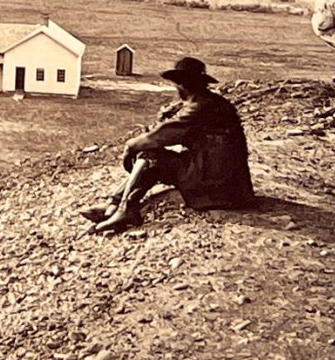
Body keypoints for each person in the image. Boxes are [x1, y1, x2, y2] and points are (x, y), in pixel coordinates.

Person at [83, 55, 254, 233]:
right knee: (156, 160)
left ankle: (124, 209)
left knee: (149, 155)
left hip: (216, 187)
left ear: (181, 84)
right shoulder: (211, 103)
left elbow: (157, 138)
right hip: (227, 182)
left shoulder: (200, 107)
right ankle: (116, 204)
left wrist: (129, 147)